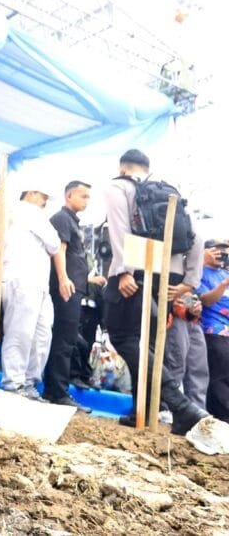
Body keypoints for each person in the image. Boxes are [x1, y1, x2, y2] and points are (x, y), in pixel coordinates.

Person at [103, 149, 210, 434]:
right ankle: (144, 410)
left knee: (124, 336)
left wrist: (124, 270)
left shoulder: (119, 186)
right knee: (147, 344)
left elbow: (119, 229)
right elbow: (197, 237)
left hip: (136, 269)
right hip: (171, 274)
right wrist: (191, 279)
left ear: (123, 167)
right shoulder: (168, 190)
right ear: (146, 168)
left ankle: (180, 405)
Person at [0, 188, 60, 398]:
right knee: (21, 333)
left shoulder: (29, 213)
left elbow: (53, 243)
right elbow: (54, 243)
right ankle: (14, 382)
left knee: (40, 334)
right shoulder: (25, 210)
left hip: (36, 282)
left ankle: (27, 382)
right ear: (32, 192)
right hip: (21, 278)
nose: (45, 201)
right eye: (44, 196)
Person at [43, 180, 95, 411]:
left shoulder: (73, 221)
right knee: (64, 339)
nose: (86, 201)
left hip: (75, 287)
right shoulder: (62, 219)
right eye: (83, 196)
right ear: (69, 195)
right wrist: (64, 279)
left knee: (68, 338)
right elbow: (60, 251)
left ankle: (58, 389)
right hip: (65, 288)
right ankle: (57, 391)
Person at [195, 240, 229, 419]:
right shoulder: (200, 273)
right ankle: (222, 416)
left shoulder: (225, 272)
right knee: (219, 375)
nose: (220, 254)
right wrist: (224, 284)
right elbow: (206, 300)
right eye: (216, 250)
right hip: (213, 330)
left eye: (224, 251)